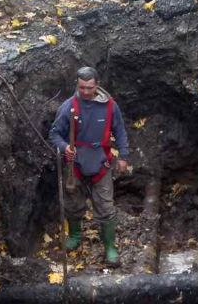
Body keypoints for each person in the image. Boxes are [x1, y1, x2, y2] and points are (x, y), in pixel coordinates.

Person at [49, 67, 129, 267]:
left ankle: (110, 247)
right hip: (74, 166)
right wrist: (64, 146)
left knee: (105, 208)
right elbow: (54, 134)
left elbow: (120, 132)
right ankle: (75, 236)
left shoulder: (110, 107)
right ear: (77, 84)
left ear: (97, 85)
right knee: (73, 204)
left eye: (89, 88)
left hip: (101, 165)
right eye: (81, 87)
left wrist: (123, 156)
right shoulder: (68, 107)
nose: (85, 92)